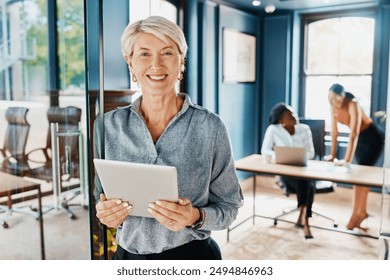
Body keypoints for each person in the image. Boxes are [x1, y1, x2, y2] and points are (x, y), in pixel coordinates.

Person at [93, 16, 243, 260]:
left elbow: (230, 206)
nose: (156, 65)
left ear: (181, 61)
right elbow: (100, 198)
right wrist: (106, 213)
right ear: (130, 62)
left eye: (167, 53)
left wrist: (195, 216)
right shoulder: (108, 125)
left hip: (193, 257)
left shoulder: (210, 126)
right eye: (144, 54)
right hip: (128, 258)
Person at [326, 83, 384, 231]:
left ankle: (355, 215)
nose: (335, 103)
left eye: (338, 100)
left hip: (372, 138)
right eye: (331, 99)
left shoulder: (353, 104)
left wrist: (347, 160)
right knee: (360, 179)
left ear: (343, 97)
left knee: (360, 178)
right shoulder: (333, 106)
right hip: (360, 141)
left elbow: (353, 133)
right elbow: (334, 132)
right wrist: (332, 156)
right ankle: (361, 213)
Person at [261, 103, 316, 239]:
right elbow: (265, 152)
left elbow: (311, 153)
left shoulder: (304, 129)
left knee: (306, 180)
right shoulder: (273, 130)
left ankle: (303, 215)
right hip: (286, 173)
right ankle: (305, 218)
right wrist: (280, 156)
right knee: (309, 184)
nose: (294, 116)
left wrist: (300, 156)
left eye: (294, 113)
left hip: (304, 169)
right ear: (281, 121)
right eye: (290, 116)